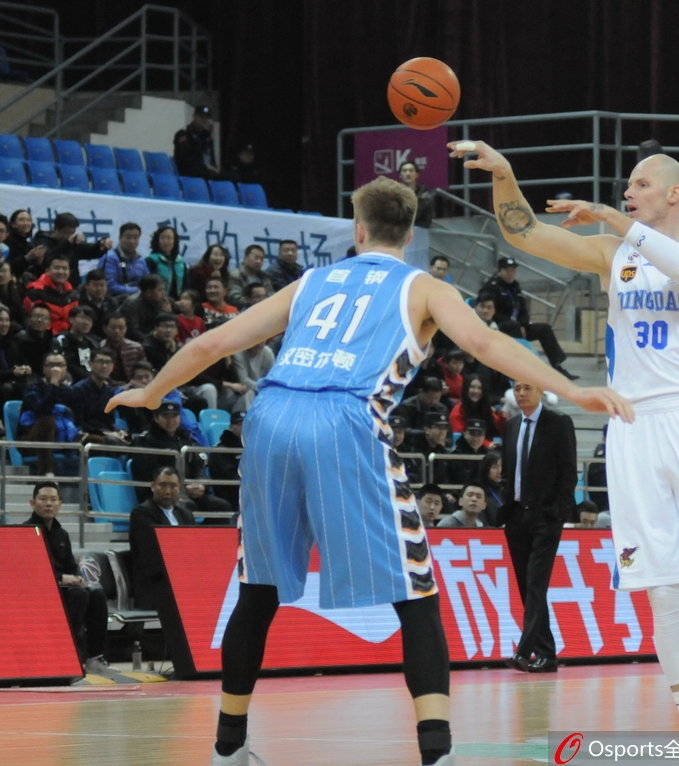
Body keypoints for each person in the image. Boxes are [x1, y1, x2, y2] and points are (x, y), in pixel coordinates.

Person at [104, 175, 630, 766]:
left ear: (358, 230)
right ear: (408, 234)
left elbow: (212, 344)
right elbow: (485, 343)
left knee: (259, 588)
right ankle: (437, 753)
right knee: (416, 592)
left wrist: (152, 391)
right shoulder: (424, 288)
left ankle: (228, 747)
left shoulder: (312, 282)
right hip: (347, 418)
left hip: (271, 416)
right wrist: (570, 389)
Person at [452, 139, 679, 732]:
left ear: (674, 193)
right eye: (625, 188)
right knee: (661, 593)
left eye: (640, 185)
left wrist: (610, 219)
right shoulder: (613, 255)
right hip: (634, 425)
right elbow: (523, 234)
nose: (627, 193)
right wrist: (505, 175)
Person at [500, 379, 576, 674]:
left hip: (545, 517)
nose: (521, 394)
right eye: (517, 389)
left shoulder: (558, 423)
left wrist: (558, 512)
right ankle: (547, 655)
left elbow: (569, 471)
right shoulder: (511, 425)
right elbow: (510, 473)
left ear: (541, 391)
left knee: (535, 584)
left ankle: (524, 650)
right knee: (526, 587)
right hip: (517, 516)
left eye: (527, 388)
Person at [24, 480, 110, 675]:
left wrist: (79, 578)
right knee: (79, 595)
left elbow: (72, 566)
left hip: (65, 588)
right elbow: (32, 574)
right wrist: (62, 579)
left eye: (53, 499)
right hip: (40, 592)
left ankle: (94, 657)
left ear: (60, 504)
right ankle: (67, 652)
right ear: (32, 503)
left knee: (96, 593)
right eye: (43, 499)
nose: (48, 504)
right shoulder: (27, 532)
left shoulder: (61, 534)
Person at [130, 400, 233, 521]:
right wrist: (180, 487)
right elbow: (146, 473)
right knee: (187, 507)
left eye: (174, 416)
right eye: (165, 416)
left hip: (189, 493)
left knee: (222, 506)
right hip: (163, 493)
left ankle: (209, 539)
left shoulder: (186, 438)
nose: (171, 421)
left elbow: (199, 465)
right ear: (156, 418)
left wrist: (200, 483)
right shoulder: (144, 441)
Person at [481, 256, 578, 380]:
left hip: (518, 326)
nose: (511, 274)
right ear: (500, 271)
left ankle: (557, 366)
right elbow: (490, 312)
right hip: (499, 326)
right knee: (513, 326)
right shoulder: (492, 287)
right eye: (507, 270)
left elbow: (523, 310)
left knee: (544, 329)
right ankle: (523, 368)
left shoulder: (515, 287)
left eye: (513, 270)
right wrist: (513, 323)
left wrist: (523, 324)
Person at [129, 466, 197, 610]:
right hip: (155, 581)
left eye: (173, 486)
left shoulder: (186, 514)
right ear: (153, 486)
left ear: (179, 487)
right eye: (163, 485)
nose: (167, 491)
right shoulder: (141, 513)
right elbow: (151, 553)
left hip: (184, 579)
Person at [32, 212, 112, 288]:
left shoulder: (72, 243)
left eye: (72, 232)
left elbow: (89, 251)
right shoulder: (43, 240)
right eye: (66, 232)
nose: (70, 235)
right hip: (49, 287)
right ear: (57, 229)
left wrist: (101, 246)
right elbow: (47, 259)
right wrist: (67, 244)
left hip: (72, 287)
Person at [22, 251, 79, 334]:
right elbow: (32, 321)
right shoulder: (36, 292)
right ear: (47, 271)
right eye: (57, 268)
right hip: (44, 337)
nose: (61, 272)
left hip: (68, 337)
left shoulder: (72, 294)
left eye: (64, 268)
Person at [50, 304, 100, 383]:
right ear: (71, 319)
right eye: (82, 318)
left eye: (89, 320)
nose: (86, 322)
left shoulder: (93, 343)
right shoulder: (61, 340)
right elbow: (66, 365)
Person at [98, 222, 149, 299]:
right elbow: (109, 286)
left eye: (135, 238)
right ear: (120, 238)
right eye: (128, 237)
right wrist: (138, 291)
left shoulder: (140, 260)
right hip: (114, 301)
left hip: (138, 300)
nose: (132, 241)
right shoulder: (110, 258)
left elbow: (149, 282)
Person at [119, 273, 174, 342]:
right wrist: (151, 340)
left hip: (151, 336)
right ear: (148, 293)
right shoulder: (132, 304)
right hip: (134, 340)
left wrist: (166, 313)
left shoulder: (162, 301)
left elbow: (166, 325)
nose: (164, 293)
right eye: (160, 290)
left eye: (163, 289)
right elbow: (133, 331)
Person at [208, 411, 244, 514]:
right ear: (231, 427)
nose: (244, 428)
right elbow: (229, 476)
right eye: (240, 424)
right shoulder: (221, 450)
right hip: (231, 495)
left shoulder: (253, 446)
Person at [174, 104, 219, 179]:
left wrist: (213, 168)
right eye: (201, 117)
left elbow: (211, 159)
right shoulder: (184, 134)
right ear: (194, 116)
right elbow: (184, 159)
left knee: (232, 176)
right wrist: (205, 166)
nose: (204, 120)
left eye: (207, 118)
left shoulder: (207, 137)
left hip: (205, 171)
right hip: (189, 172)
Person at [99, 312, 146, 385]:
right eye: (113, 327)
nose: (117, 331)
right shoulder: (100, 348)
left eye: (121, 328)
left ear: (126, 329)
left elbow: (144, 369)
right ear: (105, 329)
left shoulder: (136, 348)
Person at [146, 226, 188, 301]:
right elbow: (149, 286)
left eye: (169, 238)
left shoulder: (180, 262)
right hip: (157, 301)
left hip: (179, 302)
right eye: (162, 238)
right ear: (157, 240)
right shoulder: (151, 260)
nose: (166, 241)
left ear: (174, 241)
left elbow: (186, 286)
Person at [78, 268, 120, 337]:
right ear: (87, 286)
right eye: (95, 285)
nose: (99, 289)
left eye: (102, 285)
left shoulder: (111, 302)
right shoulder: (79, 301)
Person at [229, 244, 273, 309]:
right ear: (245, 258)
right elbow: (235, 298)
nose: (259, 261)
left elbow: (271, 294)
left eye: (261, 259)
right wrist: (254, 303)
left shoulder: (264, 276)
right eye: (256, 258)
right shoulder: (235, 275)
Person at [399, 160, 434, 227]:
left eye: (411, 170)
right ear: (400, 175)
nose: (408, 173)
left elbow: (427, 221)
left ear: (417, 174)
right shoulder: (393, 195)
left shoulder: (425, 195)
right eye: (404, 171)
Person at [477, 451, 505, 528]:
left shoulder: (508, 490)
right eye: (494, 467)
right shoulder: (479, 492)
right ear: (486, 469)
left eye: (502, 466)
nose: (500, 471)